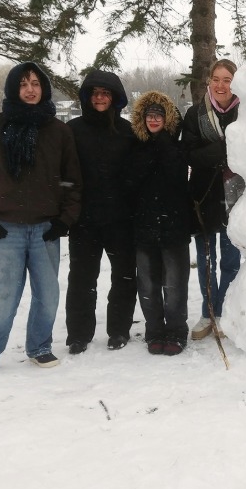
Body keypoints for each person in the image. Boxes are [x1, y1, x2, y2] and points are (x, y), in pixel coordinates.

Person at [0, 61, 81, 382]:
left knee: (47, 295)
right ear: (13, 89)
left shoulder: (59, 131)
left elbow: (73, 180)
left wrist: (65, 220)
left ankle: (39, 346)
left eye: (36, 84)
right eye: (23, 84)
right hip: (6, 228)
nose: (30, 90)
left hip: (47, 228)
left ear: (44, 88)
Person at [64, 69, 137, 353]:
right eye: (95, 93)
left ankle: (119, 330)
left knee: (123, 276)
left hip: (120, 219)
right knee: (81, 278)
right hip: (84, 219)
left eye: (105, 93)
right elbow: (63, 174)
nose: (100, 98)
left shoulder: (127, 132)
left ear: (115, 98)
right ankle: (79, 334)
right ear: (87, 97)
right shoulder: (73, 130)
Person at [128, 92, 193, 355]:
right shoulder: (134, 147)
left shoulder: (176, 147)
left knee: (175, 284)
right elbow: (130, 183)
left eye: (158, 115)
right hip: (144, 226)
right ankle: (154, 330)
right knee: (148, 284)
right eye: (149, 115)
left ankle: (176, 330)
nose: (153, 120)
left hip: (174, 227)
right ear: (142, 119)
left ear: (166, 119)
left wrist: (163, 143)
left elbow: (178, 178)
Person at [181, 58, 241, 340]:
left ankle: (224, 313)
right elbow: (189, 154)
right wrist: (221, 150)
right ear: (209, 82)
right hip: (203, 196)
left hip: (236, 197)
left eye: (227, 80)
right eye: (216, 79)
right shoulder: (195, 114)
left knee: (231, 261)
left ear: (235, 83)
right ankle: (208, 314)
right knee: (207, 261)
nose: (220, 85)